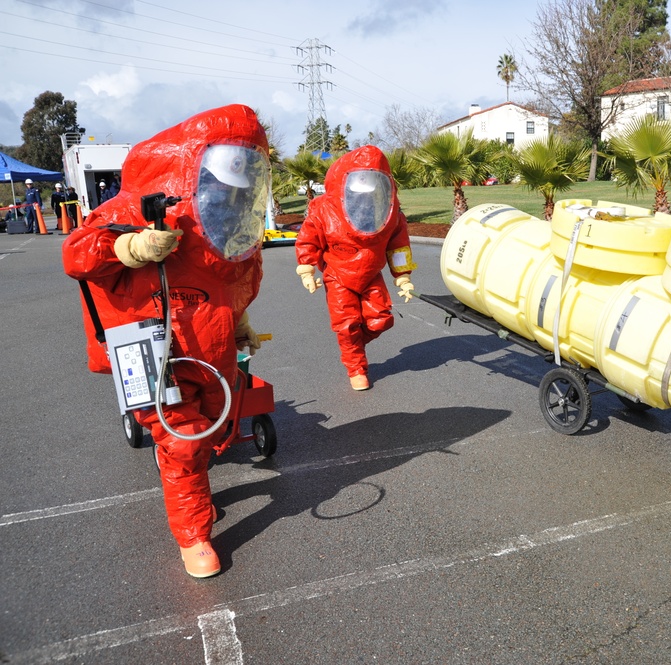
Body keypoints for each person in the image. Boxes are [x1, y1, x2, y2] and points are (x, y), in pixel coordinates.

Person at [62, 104, 270, 578]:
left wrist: (239, 323)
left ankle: (191, 483)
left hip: (212, 351)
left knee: (215, 428)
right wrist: (127, 246)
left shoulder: (231, 221)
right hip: (154, 352)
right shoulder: (142, 202)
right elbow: (76, 252)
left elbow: (230, 281)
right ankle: (194, 535)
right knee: (184, 443)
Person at [294, 145, 417, 391]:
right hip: (338, 275)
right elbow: (308, 238)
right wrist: (307, 268)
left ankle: (352, 346)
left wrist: (403, 277)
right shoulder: (324, 209)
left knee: (381, 320)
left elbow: (398, 245)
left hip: (372, 273)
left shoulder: (390, 212)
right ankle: (356, 367)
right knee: (346, 324)